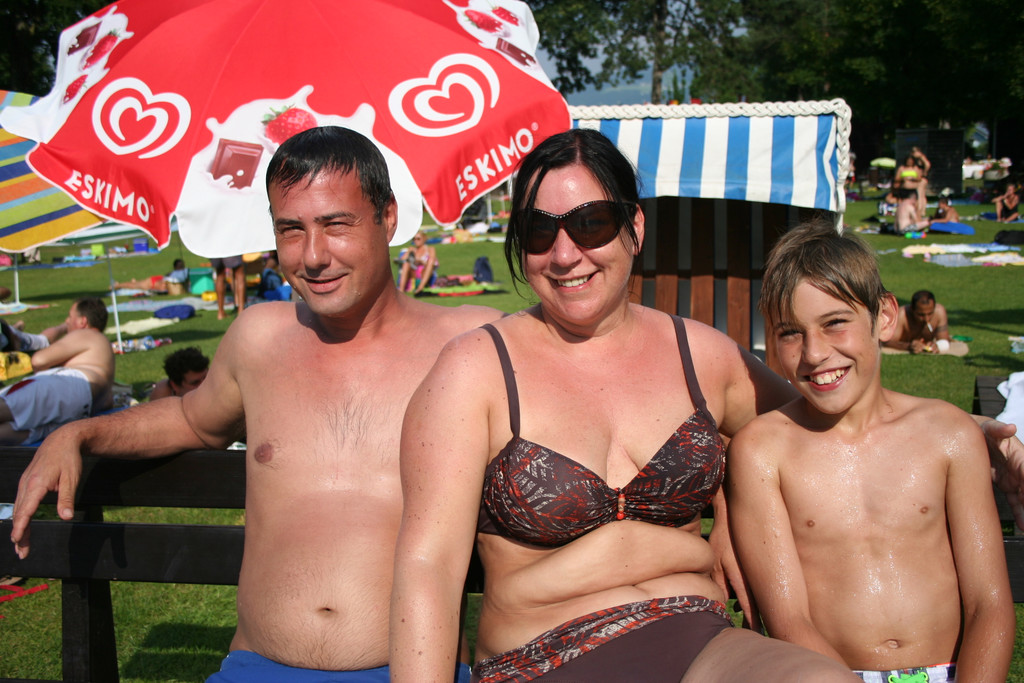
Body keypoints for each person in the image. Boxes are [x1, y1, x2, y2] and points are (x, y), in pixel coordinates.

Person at [11, 127, 498, 682]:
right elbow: (192, 419)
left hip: (414, 670)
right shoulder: (260, 338)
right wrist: (78, 433)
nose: (313, 256)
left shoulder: (468, 344)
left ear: (387, 218)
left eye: (336, 224)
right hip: (255, 667)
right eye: (291, 229)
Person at [390, 129, 863, 683]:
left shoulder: (701, 356)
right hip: (543, 656)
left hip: (700, 641)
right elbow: (429, 568)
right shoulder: (476, 370)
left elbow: (818, 431)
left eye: (590, 223)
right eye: (539, 231)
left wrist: (739, 501)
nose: (565, 255)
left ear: (634, 226)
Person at [728, 220, 1014, 681]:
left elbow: (990, 604)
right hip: (824, 673)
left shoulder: (949, 435)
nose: (814, 353)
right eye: (790, 332)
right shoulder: (763, 452)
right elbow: (789, 622)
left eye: (834, 323)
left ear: (884, 316)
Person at [0, 297, 114, 445]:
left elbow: (39, 360)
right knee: (20, 431)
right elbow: (108, 402)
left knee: (5, 405)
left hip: (70, 385)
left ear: (83, 322)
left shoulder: (87, 334)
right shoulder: (103, 351)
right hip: (82, 409)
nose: (66, 321)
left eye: (70, 316)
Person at [882, 289, 951, 354]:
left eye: (930, 313)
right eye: (921, 315)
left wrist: (937, 345)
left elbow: (944, 341)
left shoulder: (939, 312)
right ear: (911, 309)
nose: (926, 319)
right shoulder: (902, 315)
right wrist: (908, 346)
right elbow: (885, 341)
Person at [396, 230, 438, 295]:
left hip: (425, 272)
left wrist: (422, 262)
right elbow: (401, 260)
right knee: (406, 264)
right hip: (413, 273)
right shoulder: (412, 249)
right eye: (414, 239)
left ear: (424, 238)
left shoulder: (430, 249)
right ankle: (401, 291)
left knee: (431, 260)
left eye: (418, 239)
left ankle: (420, 288)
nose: (416, 241)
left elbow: (434, 263)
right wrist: (409, 252)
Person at [115, 258, 190, 292]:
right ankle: (117, 285)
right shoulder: (175, 272)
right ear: (175, 267)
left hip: (158, 280)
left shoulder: (184, 271)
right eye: (180, 266)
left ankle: (133, 281)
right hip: (153, 282)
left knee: (137, 283)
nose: (181, 267)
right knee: (134, 286)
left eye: (182, 265)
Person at [210, 255, 246, 320]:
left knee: (219, 275)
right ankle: (241, 310)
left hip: (215, 250)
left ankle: (220, 312)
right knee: (239, 273)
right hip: (231, 250)